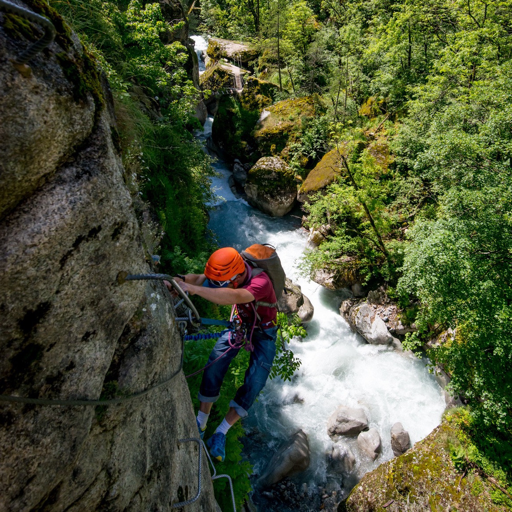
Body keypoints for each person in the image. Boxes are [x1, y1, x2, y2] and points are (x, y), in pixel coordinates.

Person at [166, 247, 278, 462]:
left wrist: (193, 289)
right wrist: (178, 281)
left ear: (237, 276)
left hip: (264, 332)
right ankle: (201, 421)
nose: (217, 285)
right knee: (214, 364)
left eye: (221, 282)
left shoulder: (261, 282)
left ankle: (221, 432)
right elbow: (201, 278)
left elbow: (235, 295)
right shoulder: (228, 275)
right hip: (240, 324)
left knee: (255, 382)